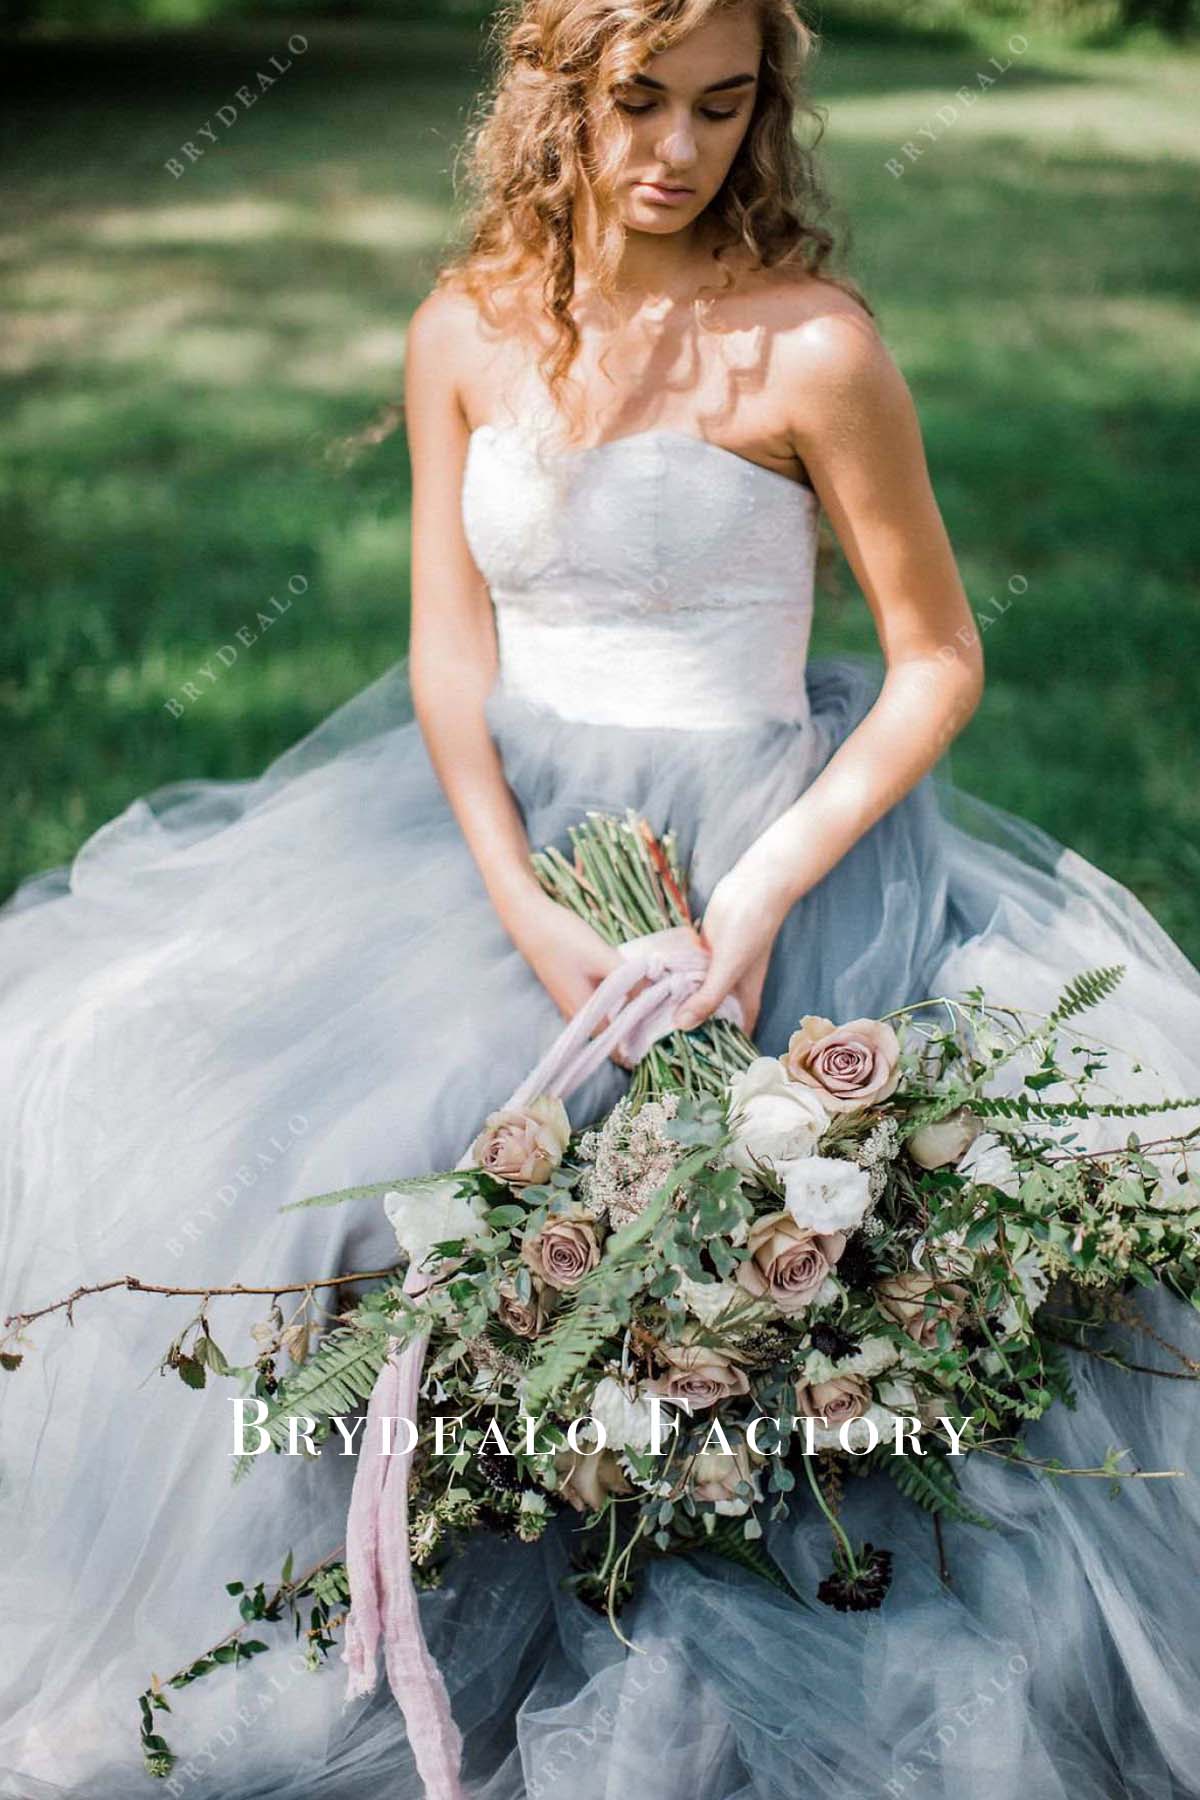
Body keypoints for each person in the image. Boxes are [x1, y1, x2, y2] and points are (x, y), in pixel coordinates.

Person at [2, 0, 1199, 1796]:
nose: (678, 149)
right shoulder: (464, 335)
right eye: (638, 100)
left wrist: (771, 877)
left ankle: (696, 1588)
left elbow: (936, 659)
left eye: (724, 107)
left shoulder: (810, 349)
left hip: (765, 844)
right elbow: (444, 653)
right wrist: (518, 897)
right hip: (503, 840)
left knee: (771, 1231)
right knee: (235, 1122)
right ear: (551, 93)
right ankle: (353, 1605)